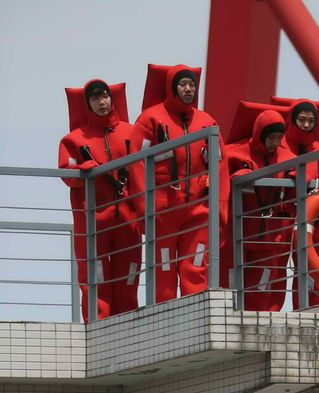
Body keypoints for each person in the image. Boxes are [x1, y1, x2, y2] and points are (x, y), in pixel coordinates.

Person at [133, 65, 228, 302]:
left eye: (192, 84)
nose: (188, 89)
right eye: (183, 84)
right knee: (164, 267)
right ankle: (164, 322)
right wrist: (145, 206)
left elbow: (221, 165)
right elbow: (136, 163)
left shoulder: (207, 122)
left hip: (198, 209)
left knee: (195, 266)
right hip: (164, 209)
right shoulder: (150, 119)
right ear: (172, 87)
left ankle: (194, 319)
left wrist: (220, 208)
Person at [59, 80, 143, 321]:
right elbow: (67, 175)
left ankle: (127, 333)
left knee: (129, 278)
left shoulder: (132, 132)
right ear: (87, 104)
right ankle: (97, 334)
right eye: (95, 98)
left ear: (111, 98)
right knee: (96, 282)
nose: (101, 102)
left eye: (104, 96)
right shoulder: (72, 140)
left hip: (128, 219)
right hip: (93, 222)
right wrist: (85, 168)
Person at [270, 97, 319, 308]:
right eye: (302, 119)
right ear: (291, 120)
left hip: (315, 223)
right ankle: (268, 315)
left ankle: (309, 316)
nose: (307, 125)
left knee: (313, 274)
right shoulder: (275, 145)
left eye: (311, 121)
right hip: (281, 221)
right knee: (274, 272)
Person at [224, 104, 295, 310]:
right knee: (229, 290)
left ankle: (255, 334)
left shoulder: (289, 160)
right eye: (270, 137)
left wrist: (298, 181)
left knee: (261, 290)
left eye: (279, 137)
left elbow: (295, 200)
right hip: (236, 237)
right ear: (260, 134)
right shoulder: (234, 154)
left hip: (269, 241)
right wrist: (234, 178)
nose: (275, 143)